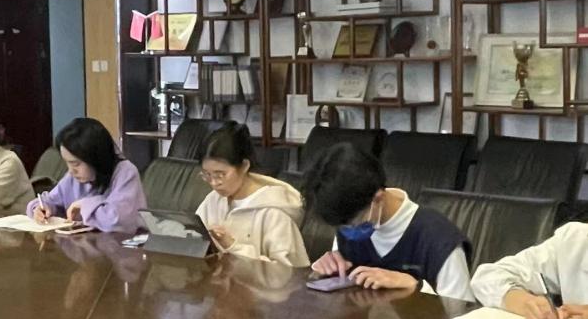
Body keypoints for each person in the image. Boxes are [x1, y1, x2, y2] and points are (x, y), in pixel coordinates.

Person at [303, 145, 474, 300]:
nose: (347, 232)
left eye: (353, 224)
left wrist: (417, 287)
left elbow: (460, 315)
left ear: (377, 199)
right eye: (342, 227)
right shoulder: (348, 220)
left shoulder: (439, 240)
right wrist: (328, 270)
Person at [195, 122, 309, 267]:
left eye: (220, 175)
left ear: (244, 166)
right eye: (207, 175)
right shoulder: (214, 200)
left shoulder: (274, 211)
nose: (214, 183)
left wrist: (233, 247)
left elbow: (287, 272)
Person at [26, 117, 146, 234]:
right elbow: (50, 200)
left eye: (76, 164)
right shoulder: (73, 178)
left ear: (96, 158)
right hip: (86, 244)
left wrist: (85, 205)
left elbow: (118, 221)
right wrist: (41, 208)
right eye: (67, 163)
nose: (71, 171)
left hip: (123, 245)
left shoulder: (125, 172)